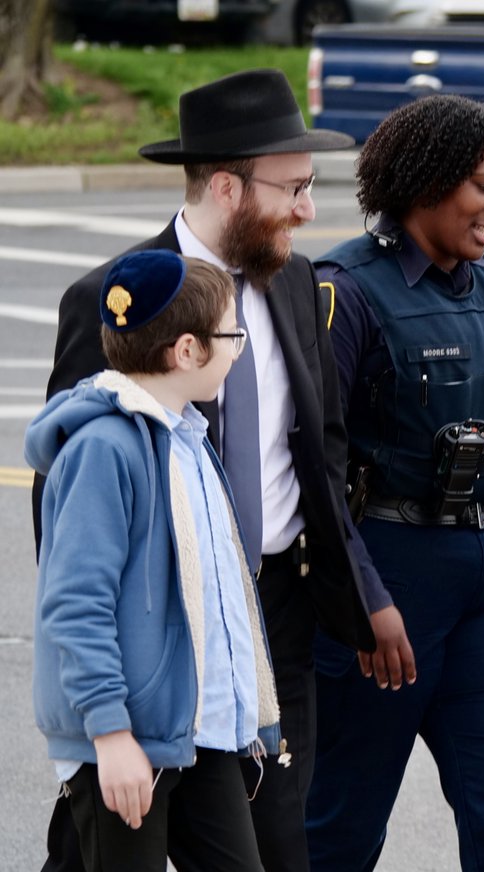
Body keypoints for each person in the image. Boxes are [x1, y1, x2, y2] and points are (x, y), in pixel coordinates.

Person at [34, 69, 416, 872]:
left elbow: (322, 454)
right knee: (103, 842)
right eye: (295, 188)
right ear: (227, 187)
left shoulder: (299, 285)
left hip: (273, 615)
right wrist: (109, 696)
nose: (310, 209)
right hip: (160, 632)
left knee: (278, 844)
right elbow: (69, 519)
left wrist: (367, 594)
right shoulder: (116, 300)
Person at [303, 94, 484, 871]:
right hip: (385, 577)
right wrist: (365, 600)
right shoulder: (342, 290)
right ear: (427, 181)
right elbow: (312, 466)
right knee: (339, 830)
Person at [27, 250, 281, 871]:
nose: (240, 348)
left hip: (203, 734)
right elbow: (75, 602)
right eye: (232, 334)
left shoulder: (188, 438)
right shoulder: (106, 449)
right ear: (187, 351)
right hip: (128, 737)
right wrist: (110, 733)